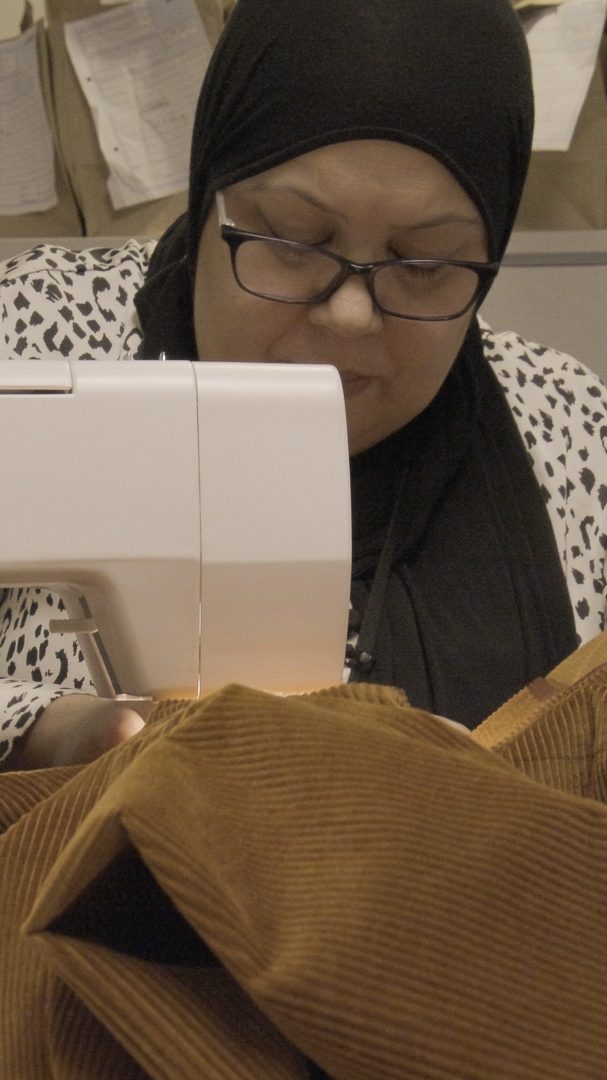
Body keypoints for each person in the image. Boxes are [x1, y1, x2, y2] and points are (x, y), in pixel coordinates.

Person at [1, 0, 606, 770]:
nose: (350, 314)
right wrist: (55, 730)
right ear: (209, 192)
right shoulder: (39, 336)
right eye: (291, 240)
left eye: (423, 265)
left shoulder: (570, 423)